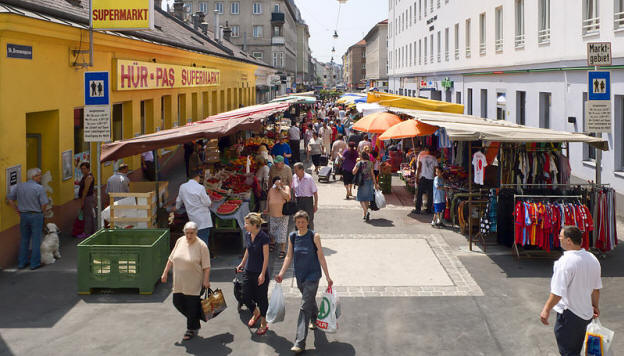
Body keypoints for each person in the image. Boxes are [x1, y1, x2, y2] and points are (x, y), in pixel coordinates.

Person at [275, 211, 333, 354]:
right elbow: (289, 256)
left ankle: (300, 342)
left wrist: (327, 276)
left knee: (304, 306)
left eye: (303, 222)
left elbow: (321, 257)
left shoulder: (314, 236)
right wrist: (281, 273)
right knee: (309, 300)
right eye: (298, 222)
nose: (300, 224)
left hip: (313, 276)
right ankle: (316, 317)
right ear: (295, 223)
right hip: (300, 276)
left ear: (307, 222)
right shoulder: (293, 236)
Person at [540, 226, 602, 356]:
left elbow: (557, 293)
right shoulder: (592, 259)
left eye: (560, 237)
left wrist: (546, 310)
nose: (559, 239)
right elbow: (596, 290)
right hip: (587, 315)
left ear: (568, 240)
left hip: (570, 316)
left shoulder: (565, 262)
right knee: (585, 351)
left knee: (569, 352)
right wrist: (595, 306)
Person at [161, 221, 211, 341]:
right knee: (177, 302)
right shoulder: (180, 241)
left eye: (191, 233)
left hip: (194, 282)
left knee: (191, 305)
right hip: (179, 281)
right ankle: (195, 319)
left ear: (196, 233)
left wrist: (206, 280)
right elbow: (171, 259)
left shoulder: (202, 245)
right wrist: (165, 272)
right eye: (187, 233)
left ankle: (191, 329)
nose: (189, 236)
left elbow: (207, 266)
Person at [7, 168, 49, 270]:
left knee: (24, 239)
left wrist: (17, 210)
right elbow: (44, 203)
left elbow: (10, 199)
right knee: (36, 239)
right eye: (39, 175)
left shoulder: (19, 186)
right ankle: (34, 263)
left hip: (23, 215)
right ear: (33, 177)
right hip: (36, 215)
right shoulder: (39, 188)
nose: (40, 177)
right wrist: (41, 212)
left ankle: (22, 262)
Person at [236, 213, 270, 335]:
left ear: (255, 225)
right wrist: (242, 263)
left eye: (247, 224)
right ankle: (256, 312)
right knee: (245, 296)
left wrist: (262, 273)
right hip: (248, 271)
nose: (245, 226)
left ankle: (263, 323)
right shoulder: (247, 235)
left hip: (259, 272)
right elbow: (248, 250)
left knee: (262, 299)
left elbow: (266, 257)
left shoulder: (264, 237)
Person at [176, 170, 213, 247]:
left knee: (194, 242)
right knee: (203, 242)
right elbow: (208, 203)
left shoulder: (183, 187)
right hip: (203, 219)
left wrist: (175, 208)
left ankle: (196, 258)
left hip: (193, 218)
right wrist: (209, 197)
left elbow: (178, 202)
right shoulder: (200, 188)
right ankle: (203, 258)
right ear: (197, 177)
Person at [265, 176, 290, 259]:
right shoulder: (271, 190)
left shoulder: (286, 188)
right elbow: (268, 200)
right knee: (272, 231)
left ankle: (282, 250)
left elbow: (287, 197)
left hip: (283, 215)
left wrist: (280, 188)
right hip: (272, 214)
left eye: (280, 181)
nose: (279, 183)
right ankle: (272, 243)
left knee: (282, 232)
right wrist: (267, 208)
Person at [353, 151, 379, 221]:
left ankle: (366, 212)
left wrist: (356, 165)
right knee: (367, 199)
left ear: (361, 156)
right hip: (370, 182)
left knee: (360, 198)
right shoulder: (370, 163)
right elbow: (373, 174)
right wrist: (375, 184)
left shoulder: (359, 163)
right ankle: (364, 215)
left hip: (362, 182)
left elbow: (353, 172)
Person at [292, 162, 318, 230]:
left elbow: (315, 192)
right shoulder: (294, 177)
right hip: (298, 200)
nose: (295, 172)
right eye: (294, 170)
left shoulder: (309, 178)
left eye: (296, 170)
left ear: (302, 170)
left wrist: (315, 205)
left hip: (307, 201)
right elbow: (293, 190)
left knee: (309, 220)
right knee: (298, 219)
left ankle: (311, 237)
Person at [413, 147, 438, 215]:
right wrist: (435, 178)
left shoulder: (422, 158)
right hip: (431, 178)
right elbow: (436, 170)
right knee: (430, 195)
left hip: (423, 177)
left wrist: (417, 177)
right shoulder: (434, 159)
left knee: (419, 194)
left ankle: (418, 209)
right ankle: (429, 209)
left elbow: (419, 168)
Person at [78, 162, 96, 238]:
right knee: (90, 215)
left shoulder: (89, 177)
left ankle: (87, 233)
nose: (82, 170)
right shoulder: (85, 176)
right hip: (88, 197)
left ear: (88, 169)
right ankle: (92, 231)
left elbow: (85, 190)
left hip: (87, 198)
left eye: (84, 168)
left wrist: (82, 200)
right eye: (81, 169)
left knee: (87, 215)